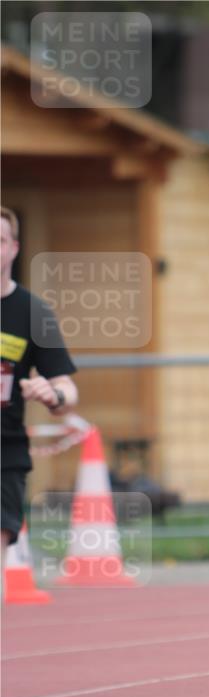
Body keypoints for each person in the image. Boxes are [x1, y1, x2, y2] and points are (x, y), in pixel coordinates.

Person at [1, 206, 78, 560]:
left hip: (5, 452)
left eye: (0, 240)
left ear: (14, 248)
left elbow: (68, 391)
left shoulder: (34, 313)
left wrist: (53, 394)